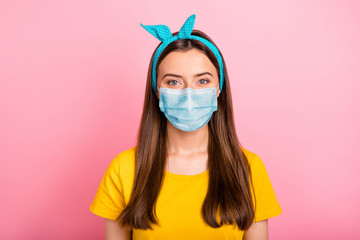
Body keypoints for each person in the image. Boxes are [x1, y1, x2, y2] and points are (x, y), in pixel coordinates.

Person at [89, 14, 282, 240]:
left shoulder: (248, 169)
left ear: (218, 88)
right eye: (173, 81)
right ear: (157, 90)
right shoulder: (123, 170)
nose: (188, 93)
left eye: (202, 81)